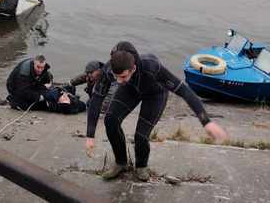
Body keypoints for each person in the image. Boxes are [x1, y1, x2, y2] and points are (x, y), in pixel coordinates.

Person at [86, 42, 228, 182]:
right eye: (116, 77)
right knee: (110, 120)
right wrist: (90, 135)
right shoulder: (110, 69)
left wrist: (206, 121)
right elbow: (97, 99)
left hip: (155, 94)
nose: (118, 81)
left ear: (133, 68)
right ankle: (121, 163)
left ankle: (141, 166)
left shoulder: (152, 67)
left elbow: (184, 91)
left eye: (122, 76)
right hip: (131, 89)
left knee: (141, 136)